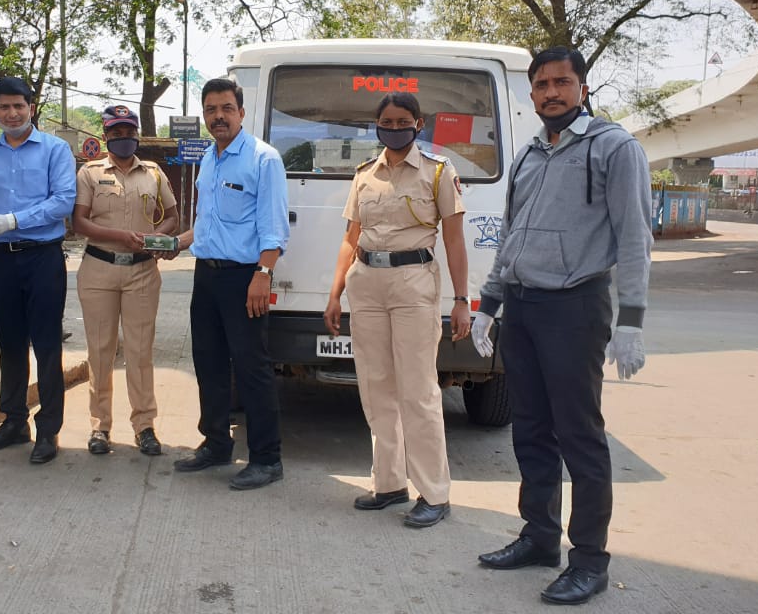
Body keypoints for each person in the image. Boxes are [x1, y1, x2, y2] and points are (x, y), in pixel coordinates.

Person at [471, 47, 652, 606]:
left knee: (579, 436)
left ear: (582, 87)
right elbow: (510, 234)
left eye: (562, 82)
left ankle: (590, 561)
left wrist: (633, 321)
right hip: (522, 307)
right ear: (532, 93)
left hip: (576, 307)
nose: (551, 92)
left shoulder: (614, 148)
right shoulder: (527, 154)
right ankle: (539, 537)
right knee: (529, 428)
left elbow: (633, 237)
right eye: (542, 84)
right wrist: (489, 303)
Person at [322, 92, 471, 528]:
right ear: (377, 125)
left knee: (418, 390)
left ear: (418, 124)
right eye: (386, 121)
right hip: (366, 284)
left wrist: (462, 300)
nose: (394, 126)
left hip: (413, 284)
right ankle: (388, 483)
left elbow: (455, 241)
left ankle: (435, 494)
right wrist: (334, 295)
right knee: (375, 386)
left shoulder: (439, 172)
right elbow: (351, 240)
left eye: (402, 120)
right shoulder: (365, 175)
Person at [162, 78, 289, 490]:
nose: (219, 116)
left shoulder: (262, 159)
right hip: (207, 276)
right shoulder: (210, 159)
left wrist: (262, 275)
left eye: (226, 108)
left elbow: (274, 229)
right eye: (211, 109)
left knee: (252, 368)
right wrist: (176, 243)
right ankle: (216, 443)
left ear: (241, 112)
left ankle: (267, 459)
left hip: (244, 278)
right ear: (204, 115)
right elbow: (206, 224)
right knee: (209, 362)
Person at [0, 77, 75, 464]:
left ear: (32, 107)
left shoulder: (55, 150)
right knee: (10, 344)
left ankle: (48, 431)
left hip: (42, 257)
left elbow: (63, 201)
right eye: (4, 107)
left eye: (19, 106)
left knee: (47, 346)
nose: (11, 113)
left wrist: (13, 220)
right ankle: (14, 421)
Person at [73, 104, 178, 456]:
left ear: (136, 135)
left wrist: (154, 237)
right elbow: (80, 222)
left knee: (140, 350)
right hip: (99, 269)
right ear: (106, 136)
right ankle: (99, 426)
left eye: (128, 133)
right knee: (100, 351)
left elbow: (173, 216)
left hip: (143, 271)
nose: (123, 139)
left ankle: (144, 425)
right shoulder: (89, 173)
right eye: (116, 133)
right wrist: (120, 237)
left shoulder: (154, 173)